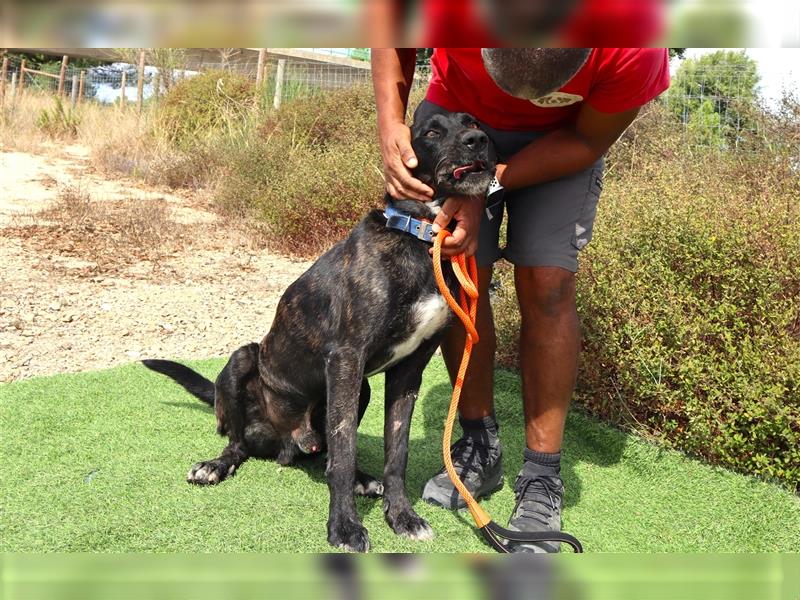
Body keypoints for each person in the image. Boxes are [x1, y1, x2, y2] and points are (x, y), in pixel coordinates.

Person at [372, 48, 670, 551]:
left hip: (563, 139)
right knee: (461, 269)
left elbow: (586, 139)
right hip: (456, 117)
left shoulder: (634, 40)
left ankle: (541, 476)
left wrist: (484, 185)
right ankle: (479, 444)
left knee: (548, 284)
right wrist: (389, 124)